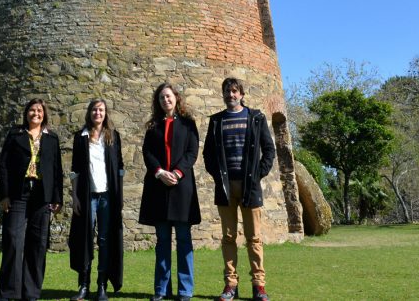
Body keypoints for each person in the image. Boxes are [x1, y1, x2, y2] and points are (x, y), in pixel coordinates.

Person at [203, 78, 276, 301]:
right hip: (226, 187)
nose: (231, 95)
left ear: (242, 94)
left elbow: (269, 150)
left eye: (234, 91)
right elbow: (208, 154)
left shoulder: (255, 118)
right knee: (228, 237)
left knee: (254, 238)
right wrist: (218, 177)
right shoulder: (216, 121)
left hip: (249, 187)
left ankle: (259, 286)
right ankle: (230, 285)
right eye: (227, 91)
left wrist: (257, 175)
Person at [138, 83, 201, 301]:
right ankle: (162, 289)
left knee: (184, 241)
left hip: (181, 189)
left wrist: (177, 172)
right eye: (162, 97)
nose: (166, 100)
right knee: (162, 242)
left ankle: (185, 290)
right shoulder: (153, 126)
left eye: (169, 96)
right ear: (158, 102)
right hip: (159, 189)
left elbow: (192, 152)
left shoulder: (188, 124)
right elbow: (147, 152)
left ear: (176, 97)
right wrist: (159, 172)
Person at [0, 98, 63, 301]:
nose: (36, 113)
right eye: (32, 110)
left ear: (44, 114)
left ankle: (31, 292)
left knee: (38, 243)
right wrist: (4, 195)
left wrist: (57, 197)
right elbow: (4, 166)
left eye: (40, 111)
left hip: (42, 195)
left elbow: (57, 170)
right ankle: (9, 292)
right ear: (26, 113)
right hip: (18, 193)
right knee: (13, 241)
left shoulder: (51, 138)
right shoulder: (15, 134)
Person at [69, 99, 125, 301]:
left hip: (107, 197)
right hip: (87, 196)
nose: (97, 113)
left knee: (104, 240)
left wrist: (120, 195)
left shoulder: (113, 137)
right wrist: (74, 196)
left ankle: (102, 285)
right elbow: (75, 170)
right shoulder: (80, 137)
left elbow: (119, 167)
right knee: (85, 240)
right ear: (89, 112)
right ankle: (84, 285)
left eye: (101, 110)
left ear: (105, 113)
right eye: (94, 109)